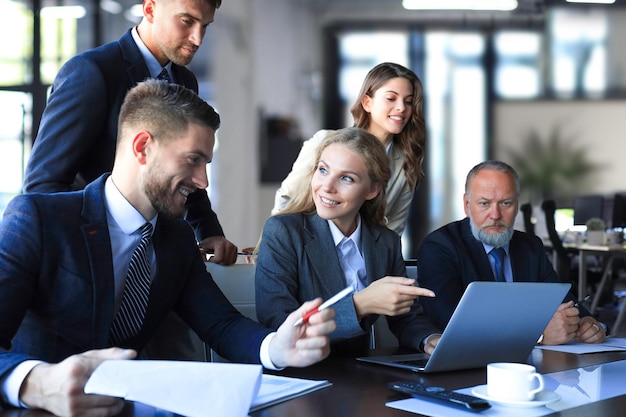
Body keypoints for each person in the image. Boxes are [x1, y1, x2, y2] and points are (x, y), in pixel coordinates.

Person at [0, 80, 336, 417]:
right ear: (143, 147)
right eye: (193, 160)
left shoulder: (176, 240)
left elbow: (221, 324)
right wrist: (36, 383)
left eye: (206, 163)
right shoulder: (38, 220)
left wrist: (277, 347)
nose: (203, 181)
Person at [22, 0, 237, 361]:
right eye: (187, 21)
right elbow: (43, 186)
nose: (198, 37)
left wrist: (208, 228)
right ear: (150, 8)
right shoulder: (91, 72)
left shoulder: (184, 79)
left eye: (206, 25)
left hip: (158, 259)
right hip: (91, 265)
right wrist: (92, 247)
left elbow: (186, 159)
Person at [256, 127, 440, 354]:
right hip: (303, 374)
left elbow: (406, 317)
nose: (327, 186)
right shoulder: (283, 232)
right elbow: (277, 324)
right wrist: (360, 305)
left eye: (346, 178)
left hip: (360, 374)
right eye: (323, 170)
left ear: (372, 189)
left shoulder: (385, 241)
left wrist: (429, 339)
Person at [417, 160, 607, 346]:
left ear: (517, 204)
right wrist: (538, 336)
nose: (495, 215)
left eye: (505, 203)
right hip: (466, 366)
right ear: (467, 205)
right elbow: (448, 321)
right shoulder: (440, 246)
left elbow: (562, 299)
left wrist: (586, 323)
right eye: (484, 203)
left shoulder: (530, 246)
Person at [272, 62, 426, 235]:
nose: (401, 108)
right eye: (391, 98)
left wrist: (382, 260)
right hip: (307, 248)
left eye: (408, 102)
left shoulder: (406, 164)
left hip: (361, 257)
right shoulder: (324, 142)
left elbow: (393, 229)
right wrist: (269, 247)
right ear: (367, 103)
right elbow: (288, 197)